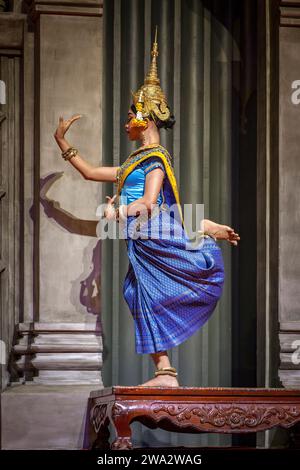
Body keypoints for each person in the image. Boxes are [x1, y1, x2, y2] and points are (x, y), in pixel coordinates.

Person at [54, 29, 240, 388]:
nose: (126, 123)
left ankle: (199, 228)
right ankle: (165, 372)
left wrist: (116, 213)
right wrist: (63, 142)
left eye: (130, 116)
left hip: (152, 229)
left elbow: (149, 204)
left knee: (173, 276)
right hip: (143, 238)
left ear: (146, 117)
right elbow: (92, 172)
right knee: (135, 293)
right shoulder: (133, 163)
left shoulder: (154, 159)